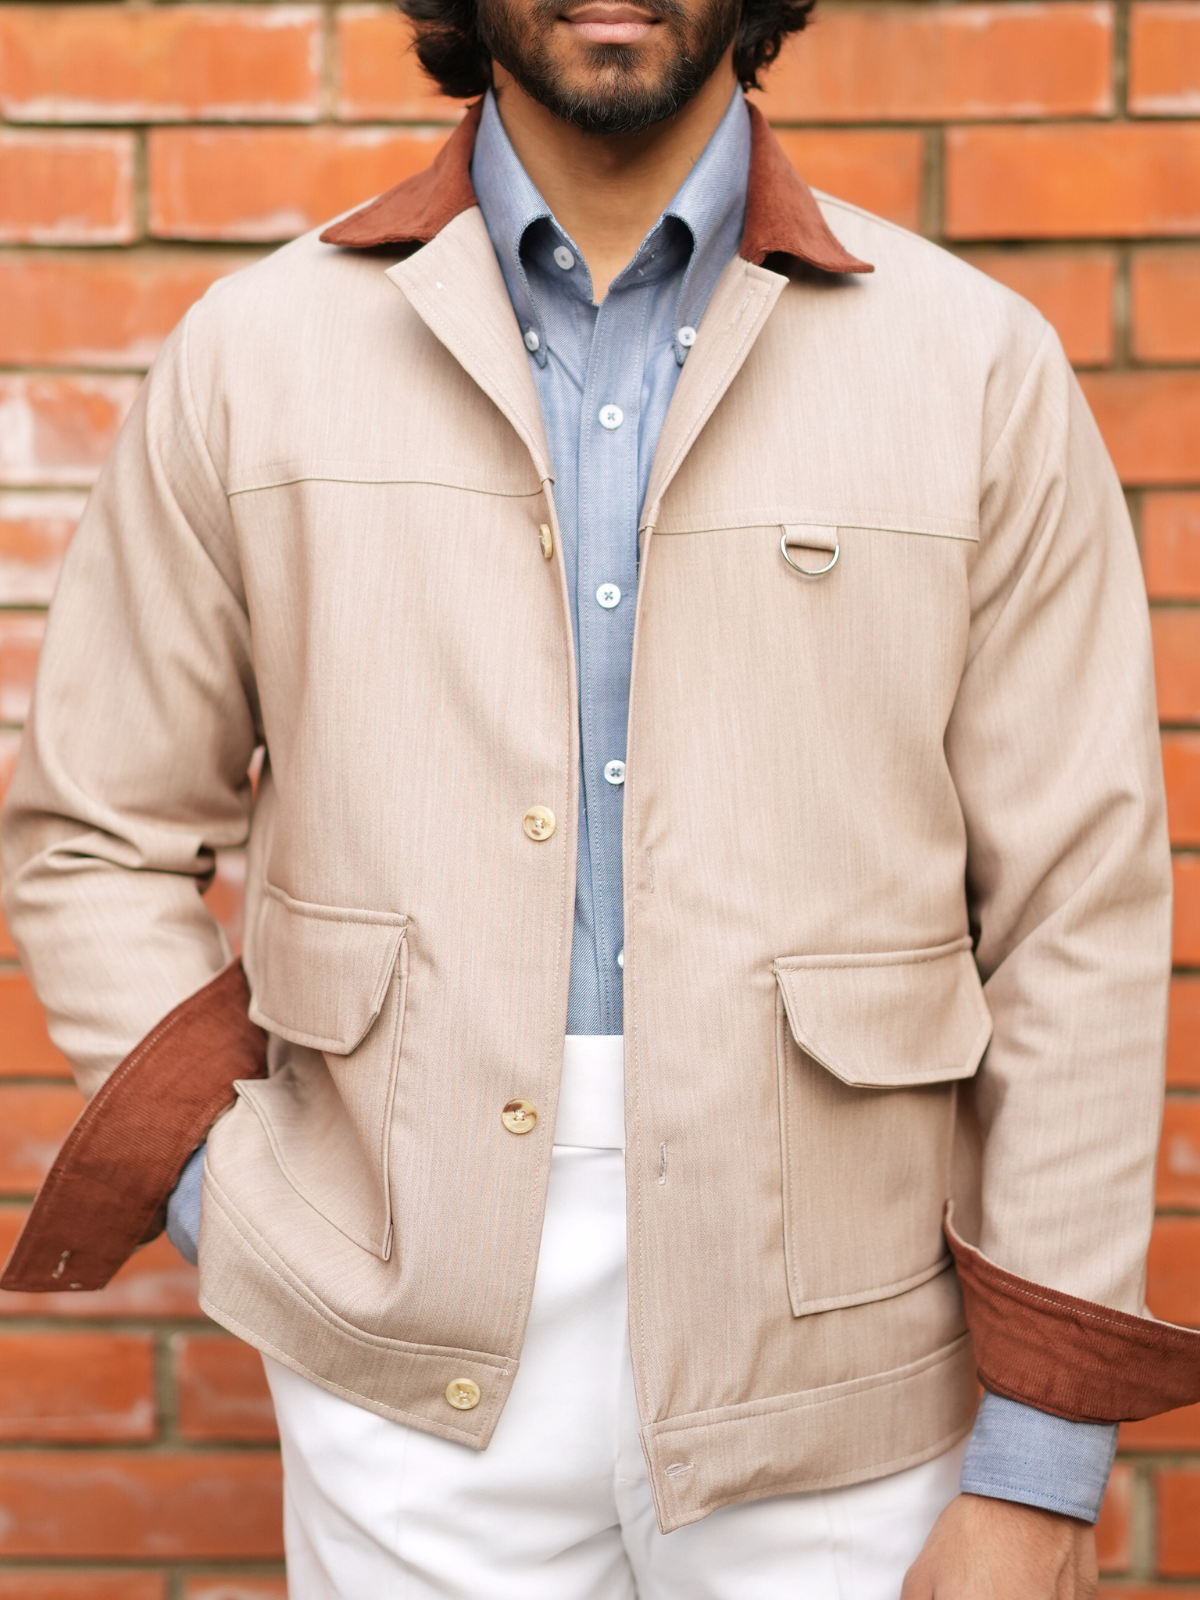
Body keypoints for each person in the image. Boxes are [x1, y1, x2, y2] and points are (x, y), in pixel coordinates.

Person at [3, 0, 1199, 1592]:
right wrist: (239, 1201)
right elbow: (94, 835)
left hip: (855, 1350)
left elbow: (1079, 909)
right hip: (401, 1350)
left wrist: (1041, 1458)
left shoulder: (973, 366)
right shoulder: (256, 358)